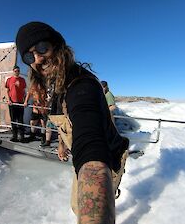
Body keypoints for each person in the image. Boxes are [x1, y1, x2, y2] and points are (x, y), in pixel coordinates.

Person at [15, 21, 129, 223]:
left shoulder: (81, 85)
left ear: (57, 46)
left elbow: (90, 140)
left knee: (85, 206)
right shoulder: (58, 85)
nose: (38, 58)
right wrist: (61, 143)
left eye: (42, 48)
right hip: (80, 157)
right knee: (76, 205)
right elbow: (68, 122)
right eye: (29, 56)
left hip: (105, 160)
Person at [23, 79, 52, 146]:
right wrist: (26, 102)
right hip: (35, 109)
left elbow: (49, 97)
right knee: (32, 122)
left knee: (43, 123)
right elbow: (29, 94)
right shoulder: (33, 87)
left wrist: (46, 103)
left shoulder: (45, 87)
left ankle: (43, 137)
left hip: (43, 109)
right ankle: (32, 135)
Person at [5, 65, 27, 142]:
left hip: (20, 103)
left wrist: (25, 101)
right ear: (13, 71)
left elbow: (24, 92)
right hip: (12, 103)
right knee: (13, 120)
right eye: (15, 71)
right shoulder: (9, 79)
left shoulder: (22, 80)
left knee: (20, 120)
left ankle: (21, 136)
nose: (17, 72)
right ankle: (14, 136)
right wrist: (9, 100)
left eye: (18, 71)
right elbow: (7, 91)